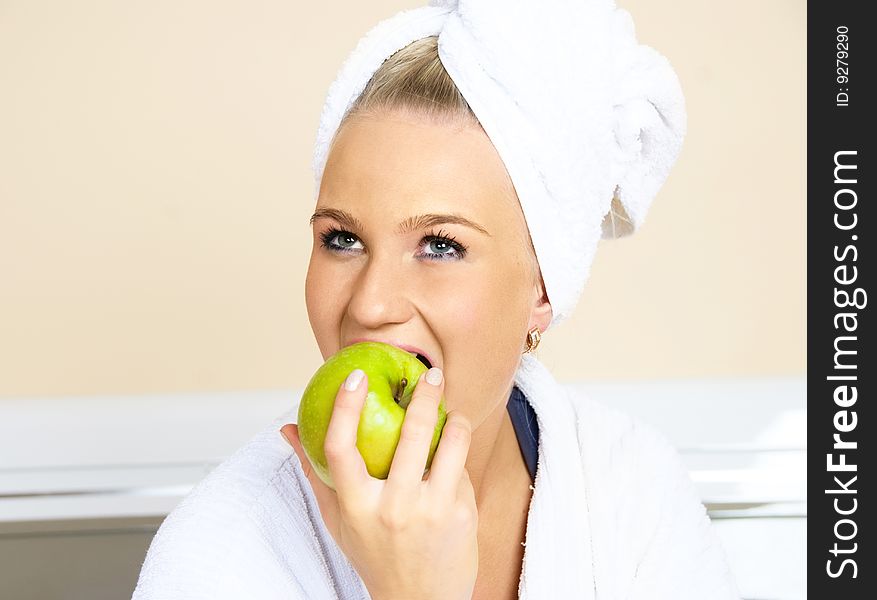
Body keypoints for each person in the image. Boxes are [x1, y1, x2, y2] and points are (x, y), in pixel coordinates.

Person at [133, 2, 740, 599]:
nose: (369, 306)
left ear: (544, 288)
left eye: (441, 246)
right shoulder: (224, 556)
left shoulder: (633, 495)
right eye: (342, 239)